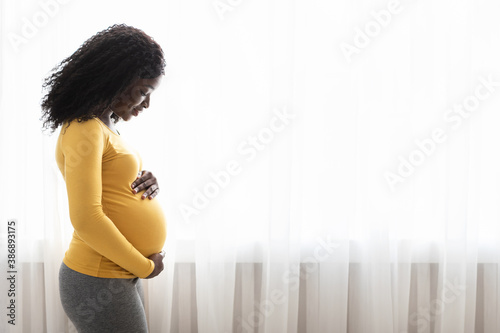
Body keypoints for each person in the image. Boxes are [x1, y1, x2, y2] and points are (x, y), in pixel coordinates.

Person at [40, 24, 167, 332]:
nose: (146, 104)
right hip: (98, 277)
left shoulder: (104, 125)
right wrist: (145, 267)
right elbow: (86, 219)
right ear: (116, 81)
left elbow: (112, 186)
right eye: (142, 93)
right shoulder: (84, 128)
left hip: (115, 272)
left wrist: (146, 181)